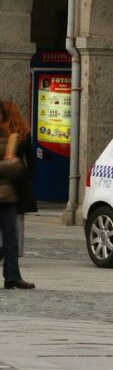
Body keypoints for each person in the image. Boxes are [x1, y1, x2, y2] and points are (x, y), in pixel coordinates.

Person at [0, 100, 35, 289]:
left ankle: (12, 276)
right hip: (7, 192)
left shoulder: (14, 136)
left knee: (11, 238)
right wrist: (10, 166)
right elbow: (16, 165)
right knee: (8, 238)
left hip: (8, 195)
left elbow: (22, 165)